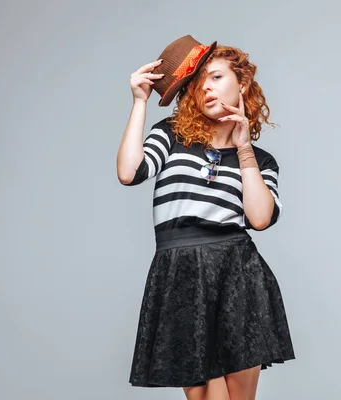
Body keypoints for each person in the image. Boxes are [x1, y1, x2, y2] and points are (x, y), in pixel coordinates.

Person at [116, 35, 295, 399]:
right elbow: (129, 172)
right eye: (199, 83)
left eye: (216, 77)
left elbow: (260, 219)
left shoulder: (261, 162)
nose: (207, 89)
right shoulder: (170, 135)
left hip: (237, 273)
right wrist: (139, 103)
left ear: (242, 84)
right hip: (179, 274)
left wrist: (244, 147)